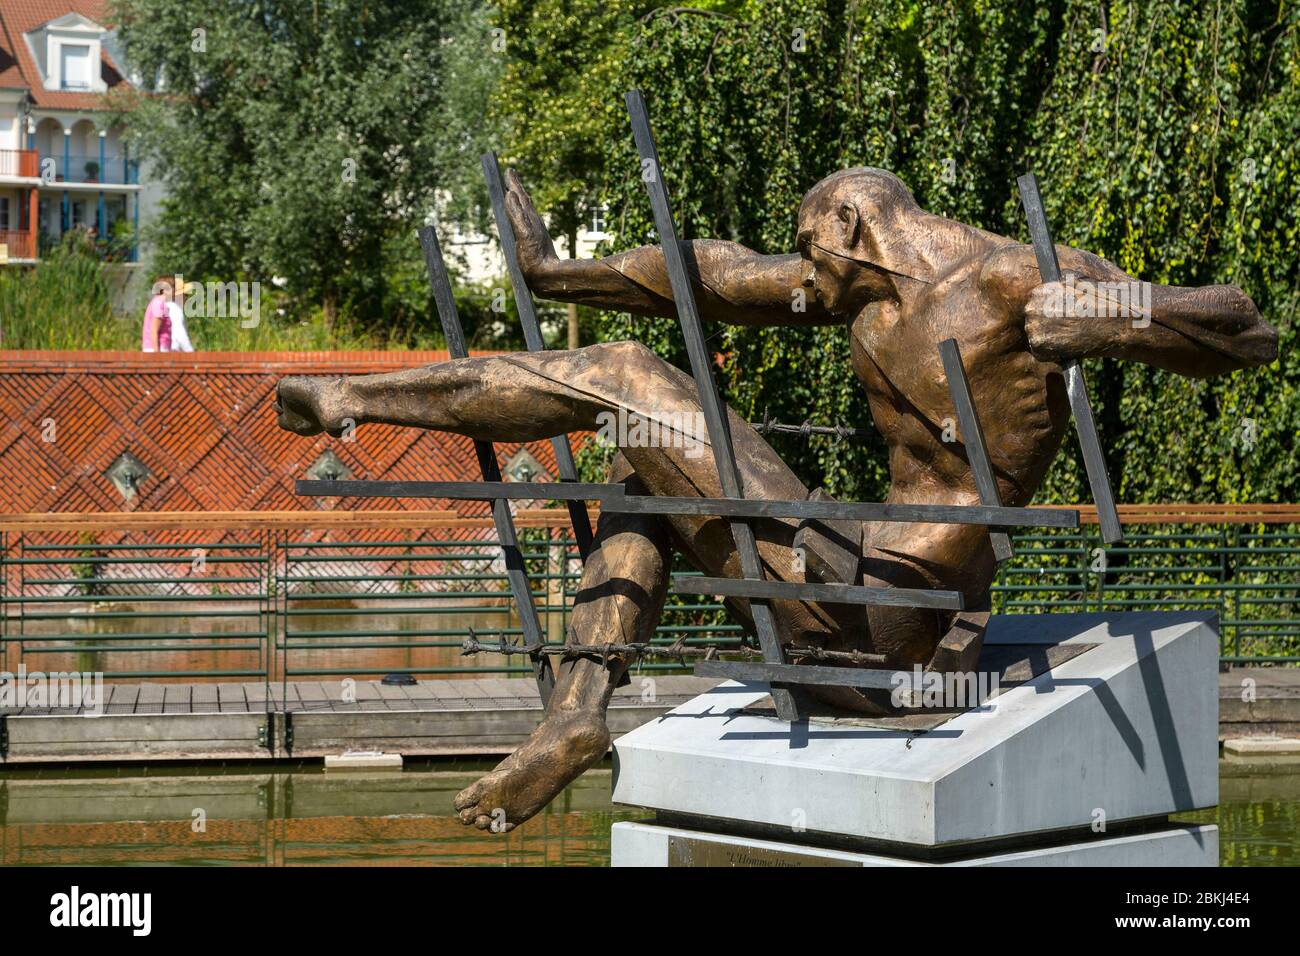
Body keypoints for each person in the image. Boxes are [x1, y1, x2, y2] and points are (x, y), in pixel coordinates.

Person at [274, 167, 1278, 831]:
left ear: (852, 219)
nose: (797, 269)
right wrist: (549, 271)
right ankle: (576, 714)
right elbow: (699, 276)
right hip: (843, 600)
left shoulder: (1018, 282)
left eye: (807, 242)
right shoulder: (862, 293)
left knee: (626, 379)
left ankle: (356, 396)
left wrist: (1117, 316)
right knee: (640, 452)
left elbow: (1247, 329)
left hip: (902, 617)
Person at [141, 276, 173, 353]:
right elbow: (154, 330)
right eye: (172, 287)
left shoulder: (157, 302)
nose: (174, 290)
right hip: (158, 348)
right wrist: (157, 355)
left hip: (156, 348)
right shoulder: (159, 304)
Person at [168, 281, 195, 353]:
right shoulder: (175, 309)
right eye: (185, 294)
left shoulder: (169, 306)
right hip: (172, 350)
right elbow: (180, 333)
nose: (187, 298)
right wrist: (190, 351)